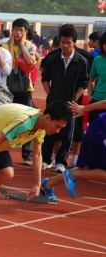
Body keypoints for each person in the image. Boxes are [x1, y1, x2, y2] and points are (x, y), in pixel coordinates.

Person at [41, 25, 88, 173]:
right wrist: (50, 94)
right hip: (53, 102)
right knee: (48, 131)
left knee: (68, 132)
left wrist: (74, 98)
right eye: (62, 42)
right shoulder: (53, 58)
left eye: (68, 42)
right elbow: (45, 78)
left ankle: (61, 161)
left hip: (70, 104)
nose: (65, 45)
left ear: (74, 42)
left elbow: (83, 83)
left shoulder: (81, 61)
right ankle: (46, 160)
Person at [41, 101, 106, 199]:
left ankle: (47, 184)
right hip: (101, 133)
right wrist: (84, 109)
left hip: (97, 130)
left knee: (86, 168)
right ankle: (73, 174)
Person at [1, 18, 36, 166]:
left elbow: (30, 62)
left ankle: (27, 154)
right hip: (7, 89)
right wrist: (10, 44)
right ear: (12, 30)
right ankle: (4, 150)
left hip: (24, 89)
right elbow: (9, 63)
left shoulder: (30, 46)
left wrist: (21, 44)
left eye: (21, 30)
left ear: (25, 32)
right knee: (8, 120)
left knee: (28, 120)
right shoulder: (3, 45)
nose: (18, 32)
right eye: (16, 29)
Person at [87, 32, 106, 123]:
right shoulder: (97, 59)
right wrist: (90, 97)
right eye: (105, 44)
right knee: (94, 133)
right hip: (96, 101)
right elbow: (91, 80)